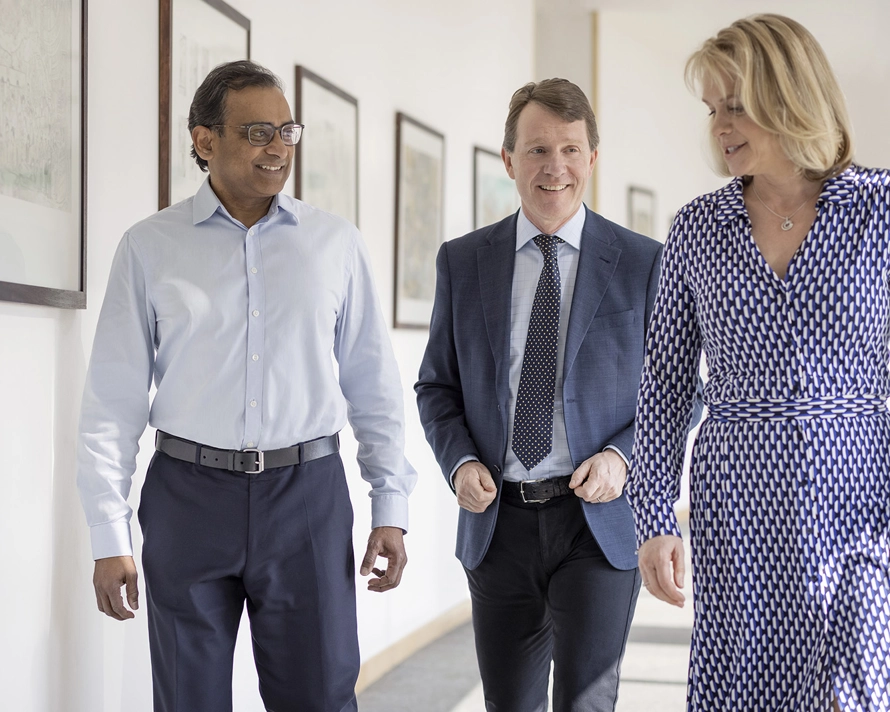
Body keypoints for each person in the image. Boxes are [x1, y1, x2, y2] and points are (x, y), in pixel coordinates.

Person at [77, 60, 416, 712]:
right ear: (205, 141)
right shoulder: (149, 248)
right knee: (188, 700)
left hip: (308, 500)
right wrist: (108, 534)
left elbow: (374, 385)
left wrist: (391, 507)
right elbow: (111, 403)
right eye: (258, 131)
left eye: (287, 130)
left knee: (319, 697)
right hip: (187, 499)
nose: (278, 147)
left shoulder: (334, 246)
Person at [627, 13, 890, 712]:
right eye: (712, 108)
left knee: (857, 689)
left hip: (861, 503)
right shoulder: (697, 229)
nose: (720, 124)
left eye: (736, 104)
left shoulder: (881, 211)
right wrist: (653, 516)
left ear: (792, 95)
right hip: (738, 501)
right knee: (747, 691)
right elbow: (663, 386)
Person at [416, 78, 662, 712]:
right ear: (508, 160)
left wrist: (623, 456)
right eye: (537, 150)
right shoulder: (463, 261)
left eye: (572, 150)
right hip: (499, 525)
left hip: (597, 523)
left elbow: (674, 392)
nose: (556, 168)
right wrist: (460, 462)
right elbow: (436, 385)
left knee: (585, 701)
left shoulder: (644, 263)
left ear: (592, 159)